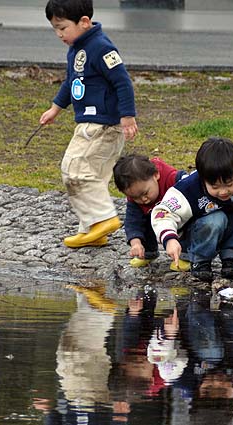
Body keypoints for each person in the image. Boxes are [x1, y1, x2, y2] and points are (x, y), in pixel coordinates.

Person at [39, 0, 138, 248]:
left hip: (102, 125)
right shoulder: (76, 47)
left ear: (84, 22)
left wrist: (127, 116)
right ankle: (93, 228)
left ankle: (104, 219)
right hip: (90, 123)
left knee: (74, 168)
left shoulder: (102, 48)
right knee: (93, 175)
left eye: (62, 28)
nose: (59, 34)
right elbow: (71, 82)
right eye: (55, 29)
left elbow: (122, 82)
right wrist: (55, 108)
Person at [151, 137, 233, 282]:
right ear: (202, 178)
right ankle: (201, 260)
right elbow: (163, 213)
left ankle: (232, 256)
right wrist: (170, 239)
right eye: (215, 187)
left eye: (229, 184)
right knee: (216, 219)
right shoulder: (189, 188)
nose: (223, 192)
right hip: (200, 234)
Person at [113, 154, 187, 269]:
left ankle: (186, 256)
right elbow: (133, 222)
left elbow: (190, 184)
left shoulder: (172, 179)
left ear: (156, 175)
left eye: (145, 193)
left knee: (188, 225)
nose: (143, 199)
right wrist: (136, 243)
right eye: (136, 197)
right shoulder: (137, 199)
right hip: (155, 215)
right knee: (144, 219)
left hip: (178, 214)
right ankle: (148, 252)